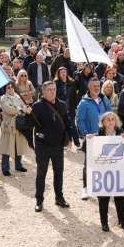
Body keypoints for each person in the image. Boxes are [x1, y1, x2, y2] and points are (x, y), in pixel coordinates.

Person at [31, 81, 75, 212]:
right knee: (41, 173)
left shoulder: (61, 104)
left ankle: (59, 198)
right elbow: (28, 124)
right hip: (42, 145)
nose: (52, 92)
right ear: (43, 92)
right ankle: (39, 200)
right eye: (49, 90)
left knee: (59, 172)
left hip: (57, 145)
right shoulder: (37, 106)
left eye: (54, 89)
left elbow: (67, 122)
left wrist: (70, 139)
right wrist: (27, 113)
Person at [90, 110, 124, 231]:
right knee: (104, 197)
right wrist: (89, 140)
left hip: (118, 171)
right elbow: (88, 150)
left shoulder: (121, 133)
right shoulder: (99, 135)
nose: (111, 122)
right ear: (103, 122)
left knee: (119, 196)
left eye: (113, 119)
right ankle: (104, 223)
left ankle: (122, 220)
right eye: (108, 119)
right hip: (104, 171)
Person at [77, 77, 112, 197]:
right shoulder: (83, 102)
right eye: (94, 86)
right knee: (89, 164)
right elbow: (80, 120)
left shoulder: (104, 99)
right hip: (91, 137)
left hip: (104, 137)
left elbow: (110, 115)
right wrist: (85, 134)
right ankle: (86, 188)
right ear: (89, 87)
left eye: (98, 86)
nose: (96, 88)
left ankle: (103, 187)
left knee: (105, 162)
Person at [0, 82, 31, 176]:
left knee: (18, 146)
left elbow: (24, 107)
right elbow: (9, 109)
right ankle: (5, 168)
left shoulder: (17, 96)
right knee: (6, 147)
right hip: (8, 125)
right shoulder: (3, 98)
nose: (10, 88)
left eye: (12, 87)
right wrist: (21, 110)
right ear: (5, 89)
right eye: (8, 87)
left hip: (19, 124)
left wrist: (22, 109)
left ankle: (18, 165)